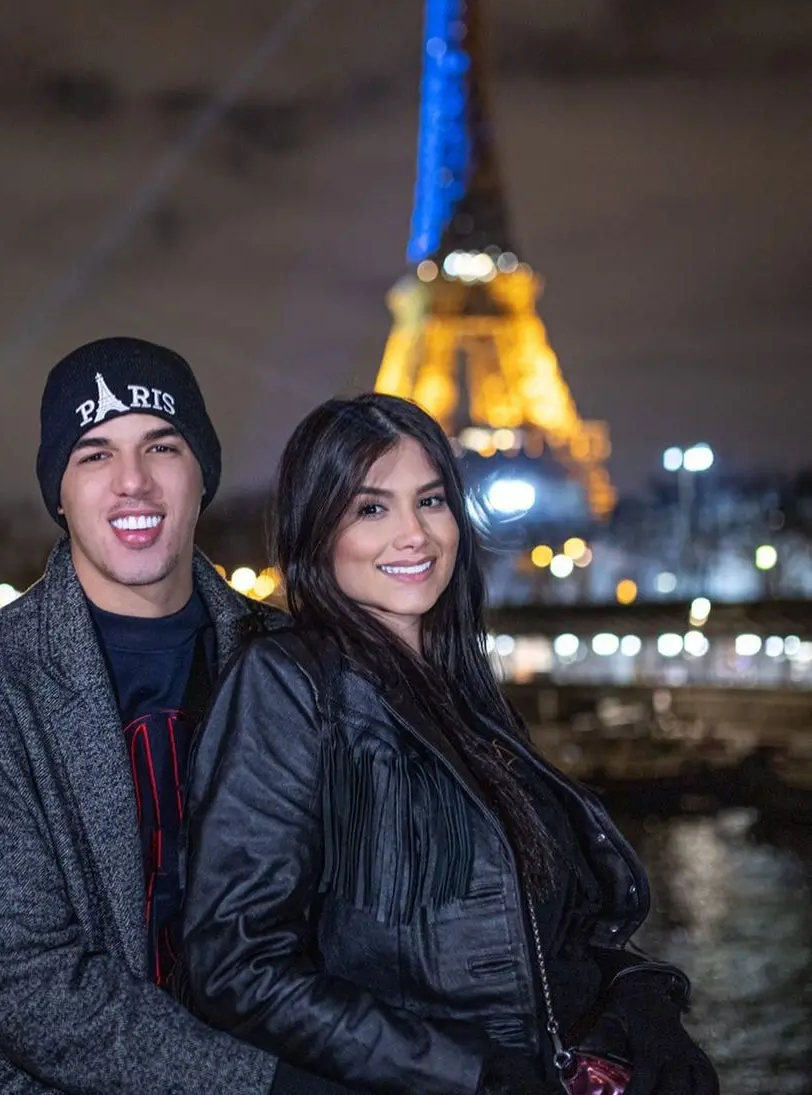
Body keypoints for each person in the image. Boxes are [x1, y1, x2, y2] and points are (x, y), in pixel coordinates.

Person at [182, 393, 719, 1095]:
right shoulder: (286, 685)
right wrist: (473, 1074)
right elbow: (235, 964)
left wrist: (637, 1009)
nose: (414, 534)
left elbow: (544, 926)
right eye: (371, 508)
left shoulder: (461, 689)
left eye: (430, 500)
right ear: (317, 531)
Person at [0, 338, 355, 1095]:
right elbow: (28, 988)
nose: (133, 482)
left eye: (162, 446)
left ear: (201, 472)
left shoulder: (300, 658)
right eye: (93, 455)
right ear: (58, 492)